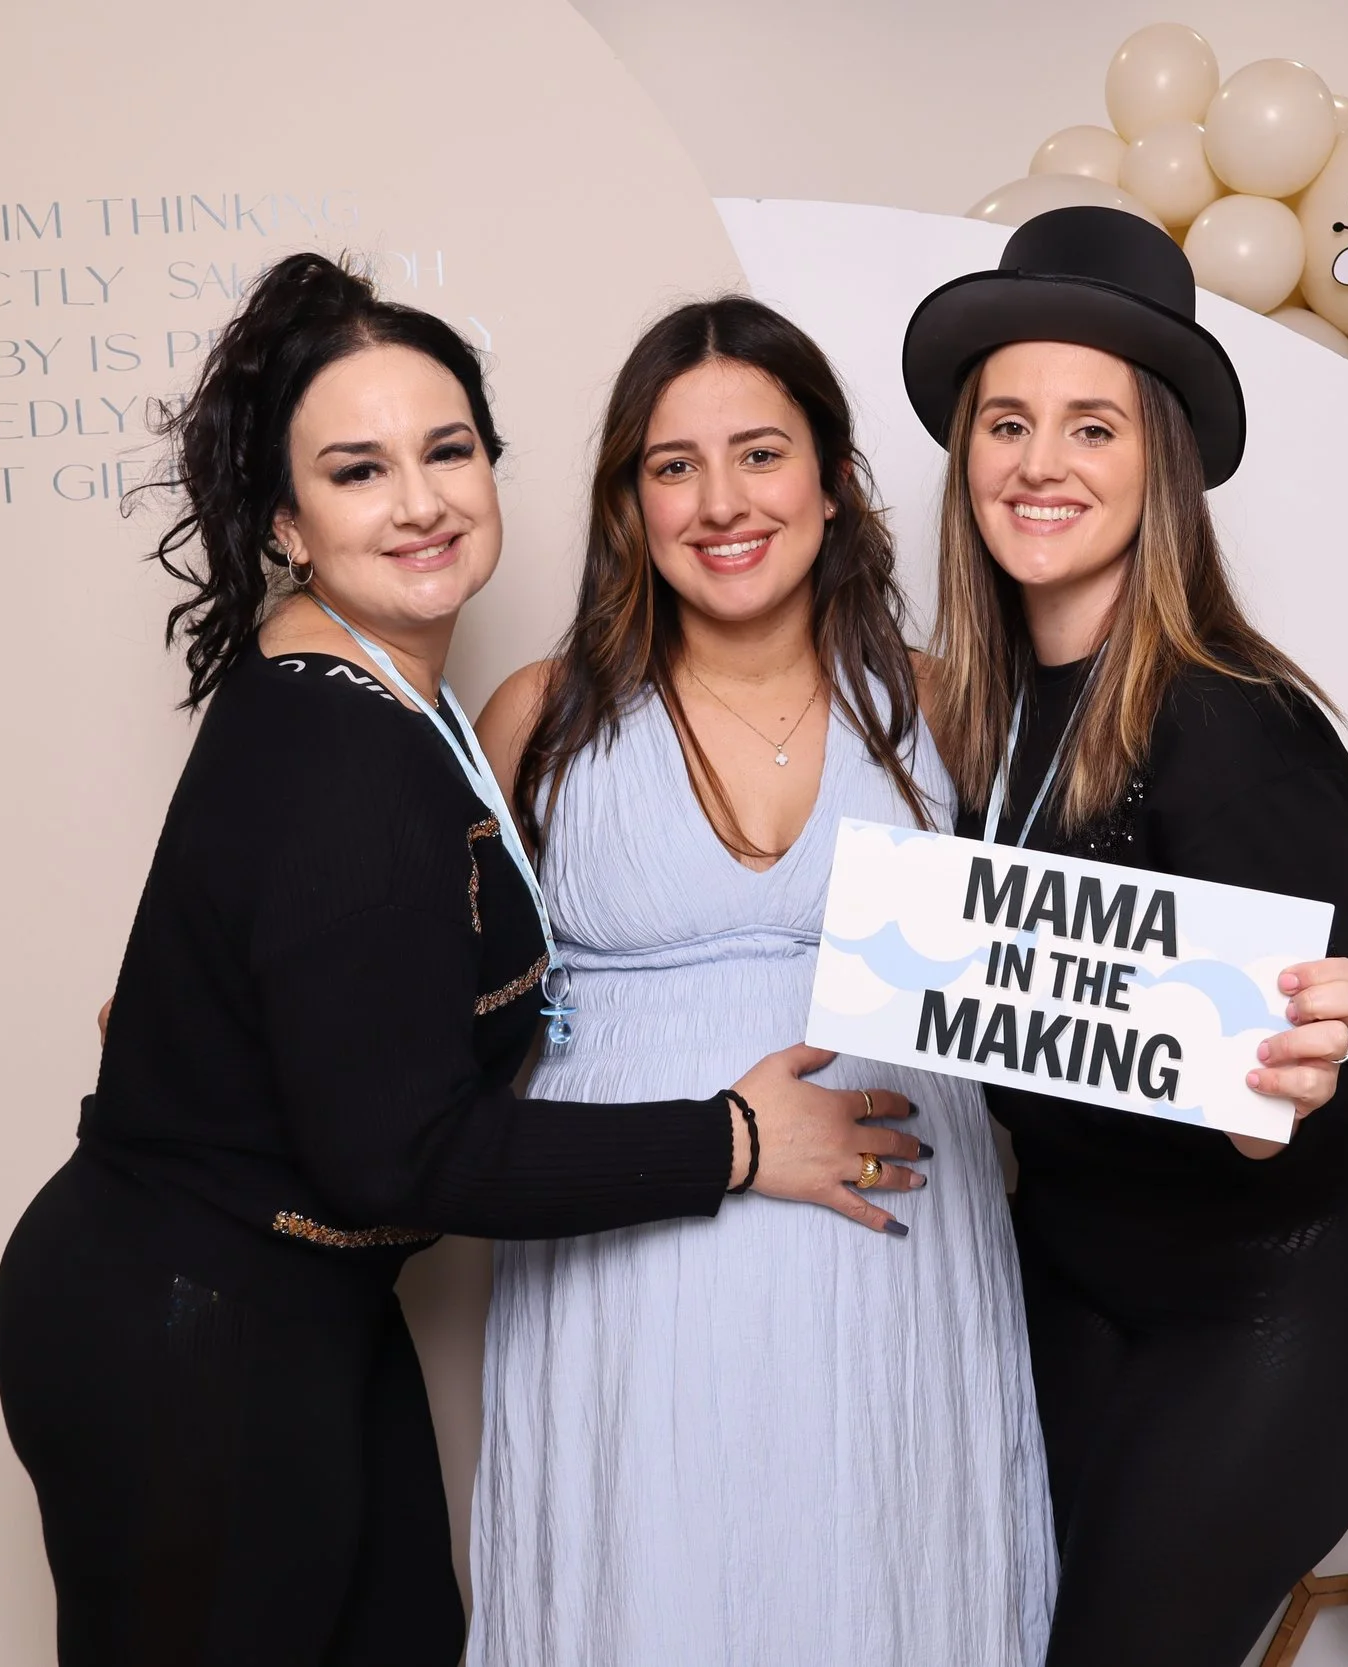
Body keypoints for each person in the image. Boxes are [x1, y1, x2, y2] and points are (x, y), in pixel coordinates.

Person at [0, 254, 924, 1667]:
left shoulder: (385, 712)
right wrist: (734, 1140)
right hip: (190, 1323)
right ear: (289, 524)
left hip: (303, 1304)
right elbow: (397, 1158)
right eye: (359, 471)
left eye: (447, 451)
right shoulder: (342, 752)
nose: (420, 500)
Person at [464, 297, 1053, 1666]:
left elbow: (1067, 976)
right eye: (673, 466)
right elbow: (419, 1003)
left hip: (896, 1269)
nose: (720, 502)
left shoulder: (953, 702)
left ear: (837, 484)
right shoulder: (540, 719)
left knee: (888, 1587)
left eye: (762, 454)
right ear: (632, 503)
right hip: (629, 1282)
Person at [903, 207, 1348, 1666]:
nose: (1038, 464)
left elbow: (1306, 1098)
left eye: (1092, 427)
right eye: (1007, 423)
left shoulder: (1233, 731)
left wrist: (1292, 1085)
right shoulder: (978, 720)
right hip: (1077, 1268)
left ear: (1161, 469)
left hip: (1276, 1287)